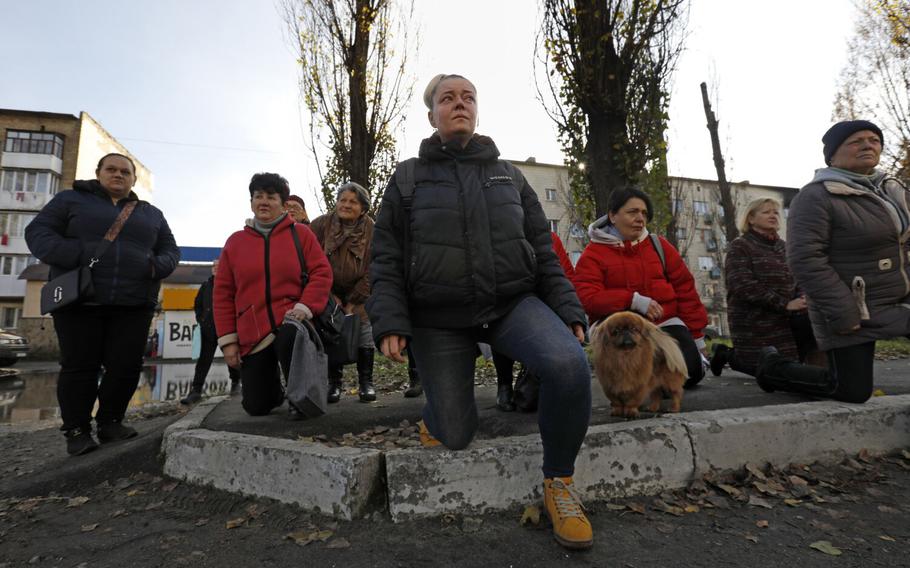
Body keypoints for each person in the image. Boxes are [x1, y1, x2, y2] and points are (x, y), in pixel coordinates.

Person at [367, 74, 594, 550]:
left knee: (568, 365)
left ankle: (560, 483)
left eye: (468, 97)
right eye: (448, 98)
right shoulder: (407, 177)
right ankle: (438, 416)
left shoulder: (509, 177)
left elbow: (543, 250)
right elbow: (385, 256)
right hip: (438, 317)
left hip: (510, 304)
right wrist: (391, 320)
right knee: (454, 434)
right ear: (432, 116)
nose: (460, 104)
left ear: (477, 109)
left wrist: (566, 308)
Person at [25, 153, 179, 456]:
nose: (118, 175)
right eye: (112, 169)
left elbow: (170, 249)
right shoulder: (71, 200)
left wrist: (153, 267)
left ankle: (110, 422)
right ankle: (77, 430)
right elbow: (37, 233)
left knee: (125, 366)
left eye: (125, 171)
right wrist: (78, 253)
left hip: (134, 302)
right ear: (98, 173)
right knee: (80, 366)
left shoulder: (151, 214)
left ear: (134, 179)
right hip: (81, 300)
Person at [758, 120, 910, 403]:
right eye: (856, 141)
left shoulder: (891, 191)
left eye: (874, 140)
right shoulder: (816, 195)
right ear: (833, 155)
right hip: (850, 304)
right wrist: (842, 311)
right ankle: (773, 369)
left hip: (897, 297)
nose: (868, 144)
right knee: (850, 390)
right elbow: (805, 259)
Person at [213, 173, 332, 418]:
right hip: (254, 332)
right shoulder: (235, 243)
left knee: (291, 334)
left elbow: (322, 273)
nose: (264, 202)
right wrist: (228, 341)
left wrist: (305, 306)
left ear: (283, 203)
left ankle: (301, 395)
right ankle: (276, 392)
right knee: (256, 407)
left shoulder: (301, 234)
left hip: (293, 322)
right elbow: (223, 293)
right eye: (258, 196)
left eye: (271, 197)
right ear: (251, 202)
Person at [574, 187, 708, 387]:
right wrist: (633, 301)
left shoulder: (659, 246)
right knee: (635, 379)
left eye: (644, 213)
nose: (640, 218)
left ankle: (658, 376)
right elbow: (588, 298)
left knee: (691, 374)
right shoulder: (593, 254)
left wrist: (697, 338)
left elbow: (685, 290)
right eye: (632, 212)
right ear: (612, 215)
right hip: (619, 329)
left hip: (664, 322)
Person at [709, 198, 817, 377]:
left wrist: (802, 297)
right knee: (762, 368)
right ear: (750, 218)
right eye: (766, 212)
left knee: (789, 362)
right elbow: (742, 284)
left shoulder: (784, 247)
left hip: (788, 315)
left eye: (775, 212)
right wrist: (784, 304)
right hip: (755, 319)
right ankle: (726, 354)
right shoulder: (740, 246)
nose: (773, 215)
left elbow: (799, 277)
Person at [309, 182, 377, 403]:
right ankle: (334, 384)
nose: (346, 205)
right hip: (327, 290)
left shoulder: (372, 229)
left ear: (363, 208)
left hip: (360, 292)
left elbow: (373, 268)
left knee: (364, 333)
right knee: (331, 332)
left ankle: (366, 383)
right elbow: (309, 260)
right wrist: (329, 296)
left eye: (353, 202)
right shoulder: (321, 225)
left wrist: (355, 299)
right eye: (343, 200)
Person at [493, 232, 576, 412]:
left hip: (546, 300)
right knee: (503, 319)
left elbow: (566, 274)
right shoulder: (499, 235)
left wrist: (565, 307)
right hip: (511, 300)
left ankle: (539, 385)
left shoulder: (550, 238)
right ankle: (504, 384)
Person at [180, 259, 241, 405]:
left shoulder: (230, 285)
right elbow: (197, 304)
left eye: (218, 266)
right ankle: (196, 391)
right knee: (203, 361)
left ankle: (235, 384)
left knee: (231, 356)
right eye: (213, 266)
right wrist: (201, 320)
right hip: (208, 330)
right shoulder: (206, 285)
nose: (215, 268)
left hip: (225, 329)